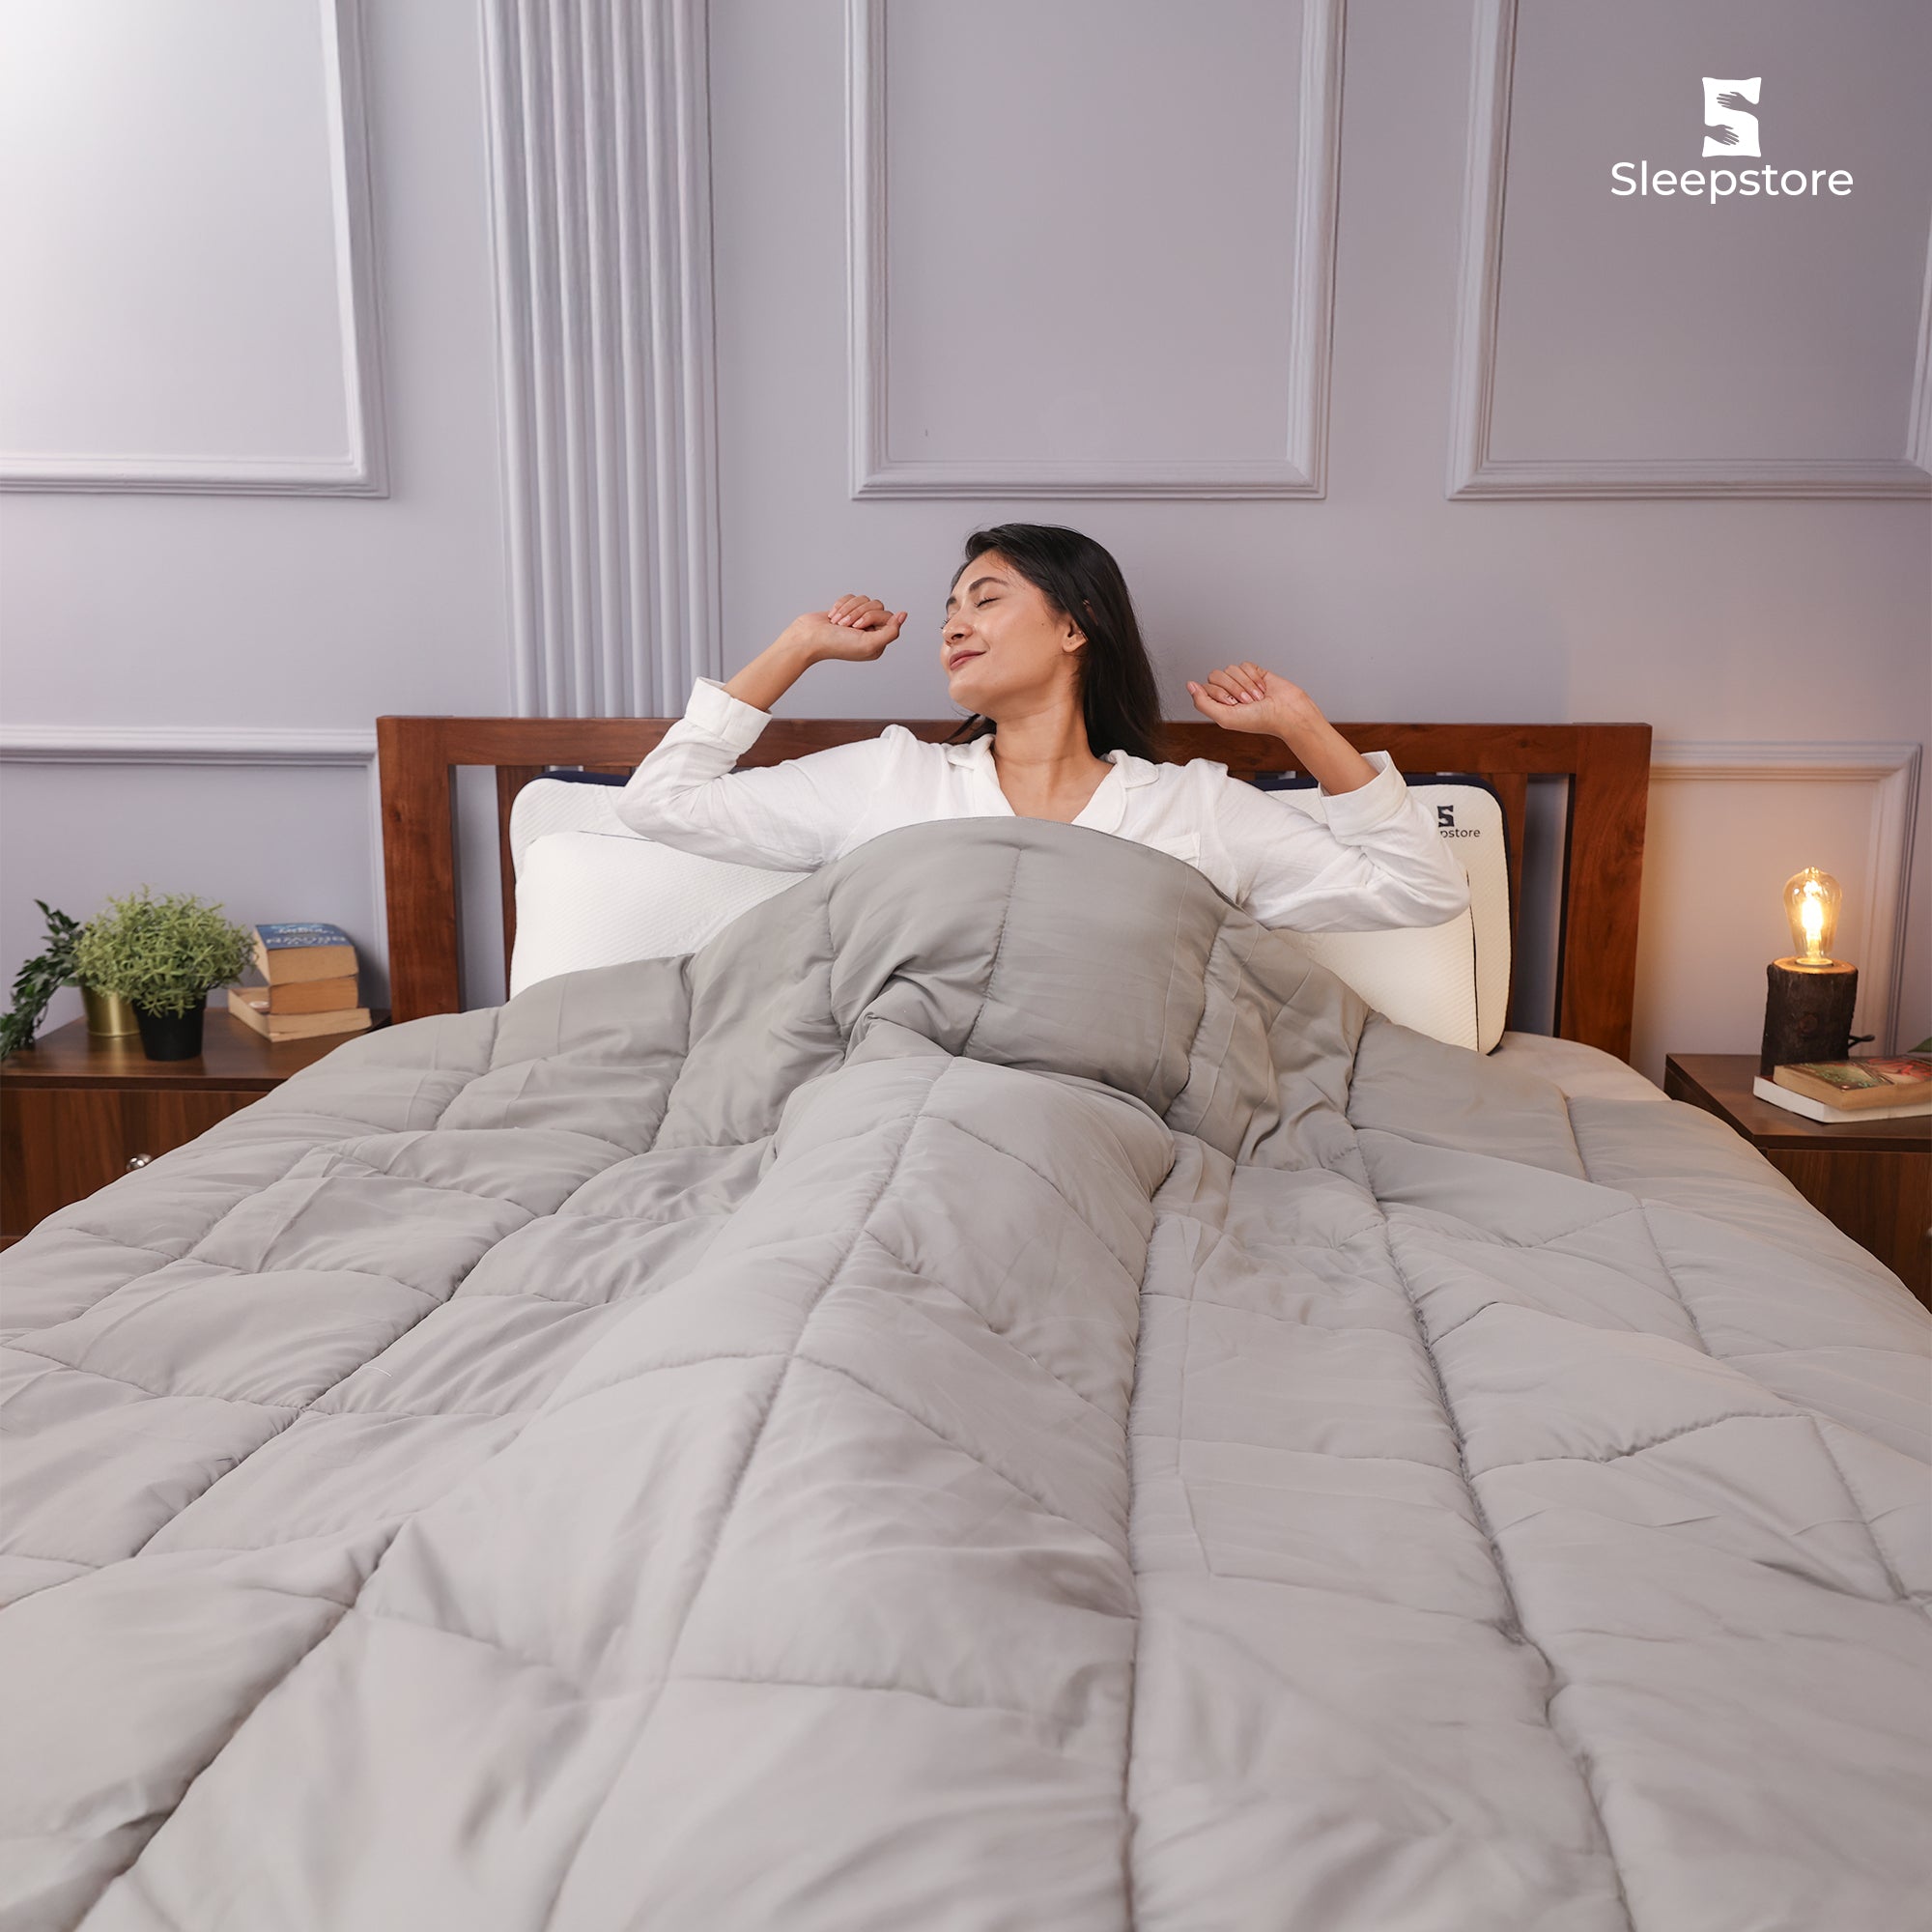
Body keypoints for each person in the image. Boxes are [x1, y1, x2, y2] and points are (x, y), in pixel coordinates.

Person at [614, 523, 1471, 933]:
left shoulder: (1192, 808)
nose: (953, 626)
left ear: (1074, 627)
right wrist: (797, 647)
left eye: (985, 600)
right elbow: (661, 803)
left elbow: (1423, 892)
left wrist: (1301, 727)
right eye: (950, 610)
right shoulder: (892, 777)